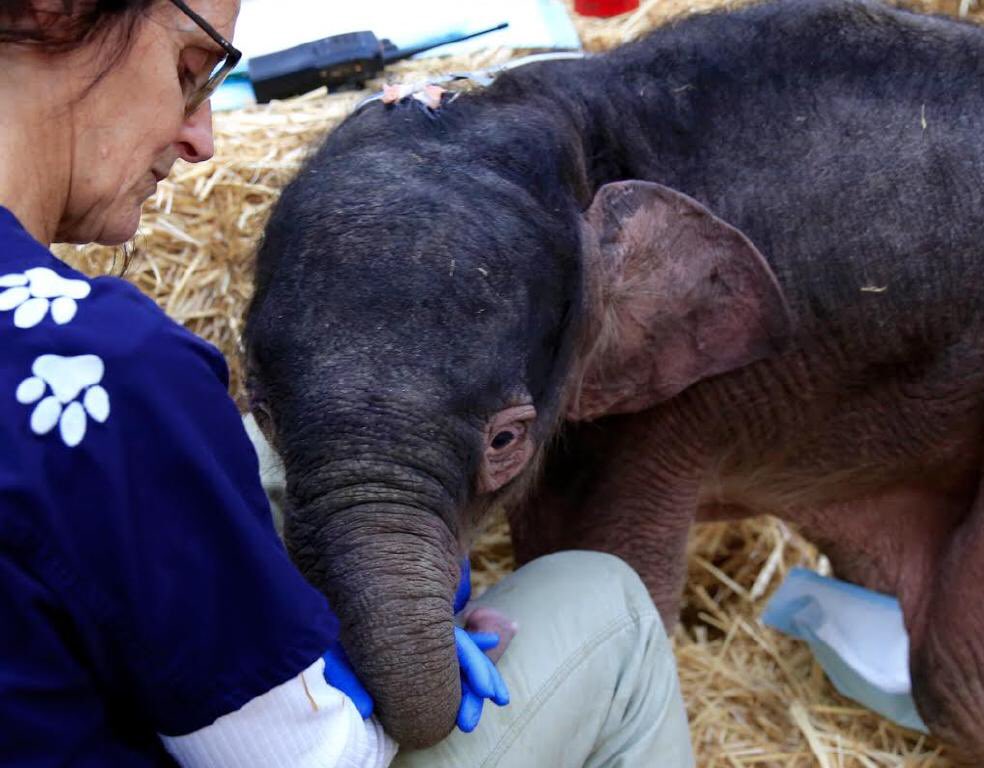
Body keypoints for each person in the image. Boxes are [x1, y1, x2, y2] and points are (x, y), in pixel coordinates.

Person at [0, 1, 694, 766]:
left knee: (256, 458)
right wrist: (389, 663)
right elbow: (307, 760)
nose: (202, 138)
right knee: (606, 604)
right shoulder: (107, 370)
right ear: (52, 12)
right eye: (189, 72)